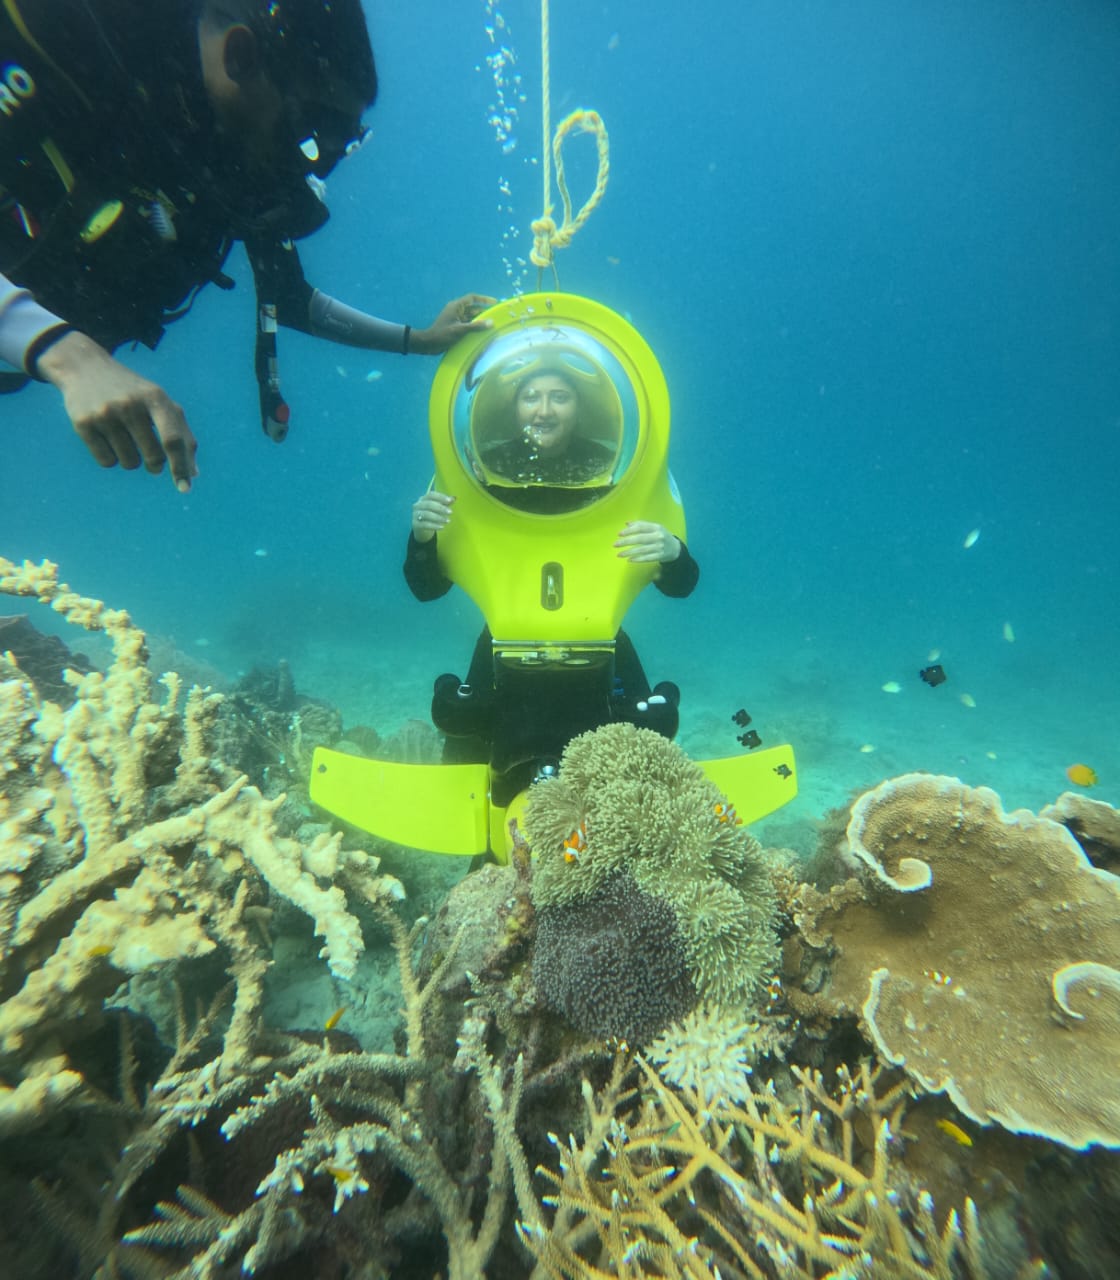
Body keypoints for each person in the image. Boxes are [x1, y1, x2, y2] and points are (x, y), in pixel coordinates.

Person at [0, 0, 491, 493]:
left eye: (340, 145)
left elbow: (292, 301)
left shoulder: (230, 145)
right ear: (240, 55)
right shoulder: (46, 31)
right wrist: (67, 354)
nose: (309, 168)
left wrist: (419, 340)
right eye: (312, 134)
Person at [404, 487, 699, 793]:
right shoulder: (483, 484)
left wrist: (674, 553)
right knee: (464, 752)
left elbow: (682, 584)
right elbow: (426, 588)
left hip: (599, 639)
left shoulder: (610, 480)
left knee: (647, 748)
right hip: (507, 641)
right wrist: (422, 537)